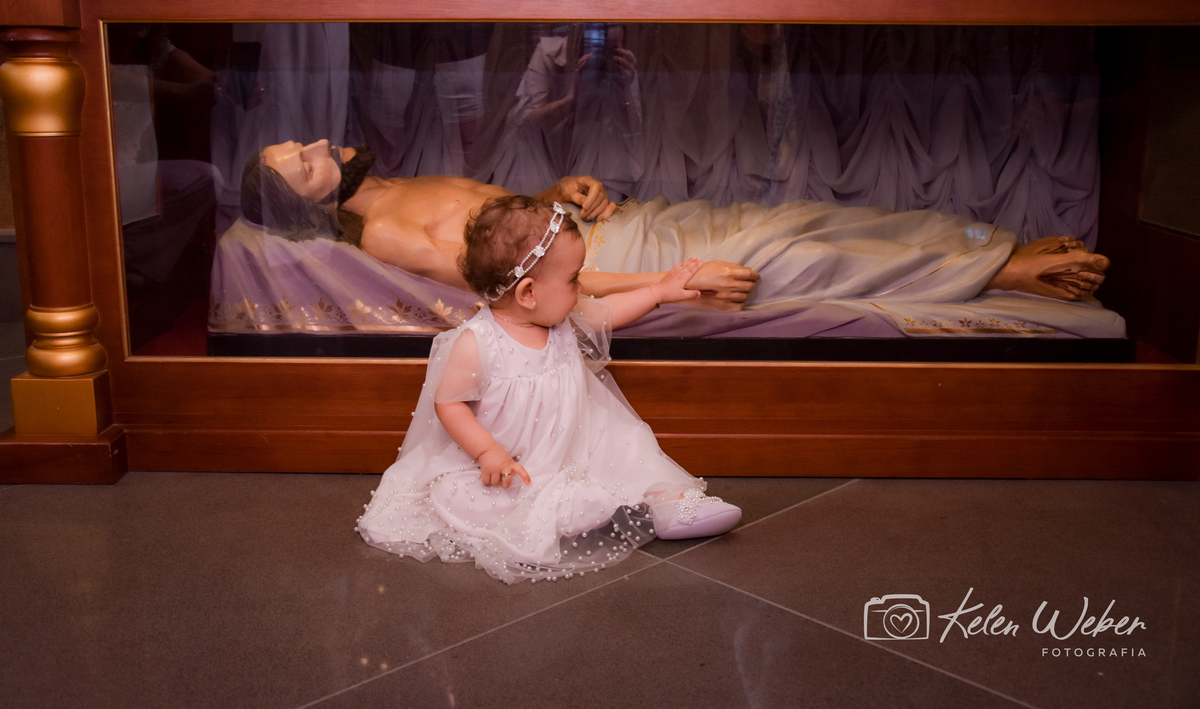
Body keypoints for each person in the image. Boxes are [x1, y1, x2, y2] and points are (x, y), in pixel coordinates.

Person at [356, 196, 743, 583]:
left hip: (577, 436)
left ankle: (668, 503)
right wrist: (487, 451)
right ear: (528, 293)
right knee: (473, 496)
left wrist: (659, 291)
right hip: (511, 459)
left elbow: (609, 311)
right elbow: (450, 403)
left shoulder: (561, 316)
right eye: (573, 279)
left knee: (628, 448)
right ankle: (568, 508)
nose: (580, 287)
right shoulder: (477, 343)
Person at [242, 139, 1110, 306]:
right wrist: (666, 285)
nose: (319, 144)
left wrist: (559, 188)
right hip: (610, 252)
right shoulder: (385, 235)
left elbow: (504, 220)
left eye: (305, 142)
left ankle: (981, 245)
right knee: (789, 251)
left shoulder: (403, 183)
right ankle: (996, 274)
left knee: (799, 213)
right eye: (305, 162)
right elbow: (520, 284)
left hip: (615, 221)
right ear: (308, 201)